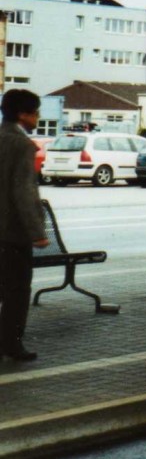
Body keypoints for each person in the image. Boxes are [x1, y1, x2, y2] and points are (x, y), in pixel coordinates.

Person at [0, 89, 50, 361]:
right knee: (17, 292)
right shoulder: (23, 145)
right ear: (23, 114)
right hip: (12, 233)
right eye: (36, 111)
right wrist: (37, 233)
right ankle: (11, 344)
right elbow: (24, 193)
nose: (38, 117)